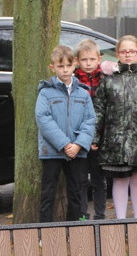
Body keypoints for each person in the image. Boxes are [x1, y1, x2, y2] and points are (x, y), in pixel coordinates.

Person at [92, 35, 137, 219]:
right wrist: (95, 136)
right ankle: (120, 221)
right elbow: (99, 110)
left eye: (132, 51)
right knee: (120, 180)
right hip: (115, 139)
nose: (128, 55)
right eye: (123, 51)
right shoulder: (108, 80)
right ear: (117, 54)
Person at [35, 45, 96, 223]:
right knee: (48, 192)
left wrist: (78, 144)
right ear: (52, 67)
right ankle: (44, 230)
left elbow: (89, 120)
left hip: (77, 151)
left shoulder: (83, 94)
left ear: (74, 65)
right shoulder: (45, 93)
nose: (65, 70)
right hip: (53, 151)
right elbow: (43, 119)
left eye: (68, 66)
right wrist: (64, 144)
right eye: (60, 66)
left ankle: (76, 227)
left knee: (77, 191)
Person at [73, 39, 107, 220]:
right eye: (84, 60)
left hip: (99, 137)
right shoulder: (74, 80)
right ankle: (82, 216)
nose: (88, 64)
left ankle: (100, 216)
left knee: (99, 180)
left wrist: (98, 136)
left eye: (92, 59)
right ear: (77, 61)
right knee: (80, 181)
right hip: (79, 138)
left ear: (99, 59)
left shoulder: (105, 80)